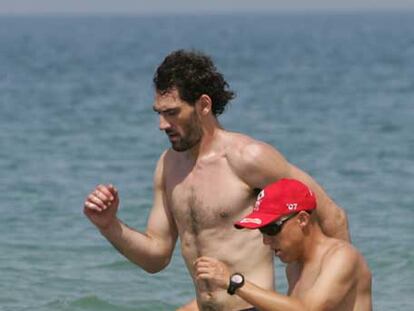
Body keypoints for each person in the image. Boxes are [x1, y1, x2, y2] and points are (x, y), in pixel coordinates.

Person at [83, 50, 349, 311]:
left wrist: (312, 302)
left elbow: (332, 218)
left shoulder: (248, 158)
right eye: (159, 113)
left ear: (204, 105)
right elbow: (156, 258)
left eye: (172, 113)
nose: (162, 124)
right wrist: (109, 225)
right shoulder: (168, 167)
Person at [194, 178, 372, 311]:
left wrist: (233, 282)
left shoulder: (342, 257)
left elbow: (307, 309)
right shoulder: (294, 267)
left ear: (302, 219)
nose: (265, 240)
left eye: (271, 229)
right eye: (262, 231)